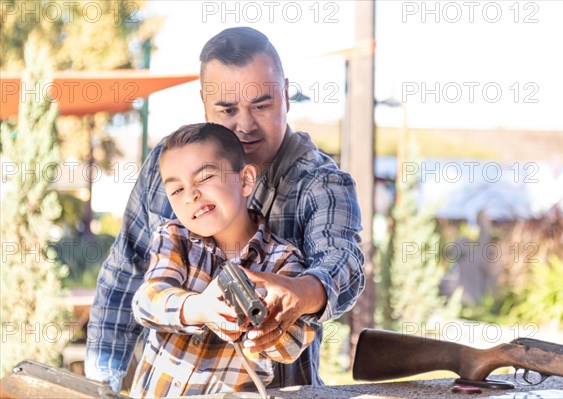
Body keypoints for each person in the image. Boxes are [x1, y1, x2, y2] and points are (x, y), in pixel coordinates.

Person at [85, 27, 365, 392]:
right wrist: (101, 384)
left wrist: (302, 293)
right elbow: (127, 273)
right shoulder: (167, 166)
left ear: (286, 94)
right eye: (227, 109)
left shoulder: (321, 183)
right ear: (204, 102)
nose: (245, 125)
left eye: (262, 105)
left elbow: (343, 261)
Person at [129, 123, 318, 398]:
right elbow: (147, 300)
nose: (191, 195)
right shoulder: (173, 237)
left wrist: (264, 328)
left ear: (245, 180)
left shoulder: (283, 261)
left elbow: (294, 344)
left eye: (204, 178)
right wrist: (198, 308)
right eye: (177, 190)